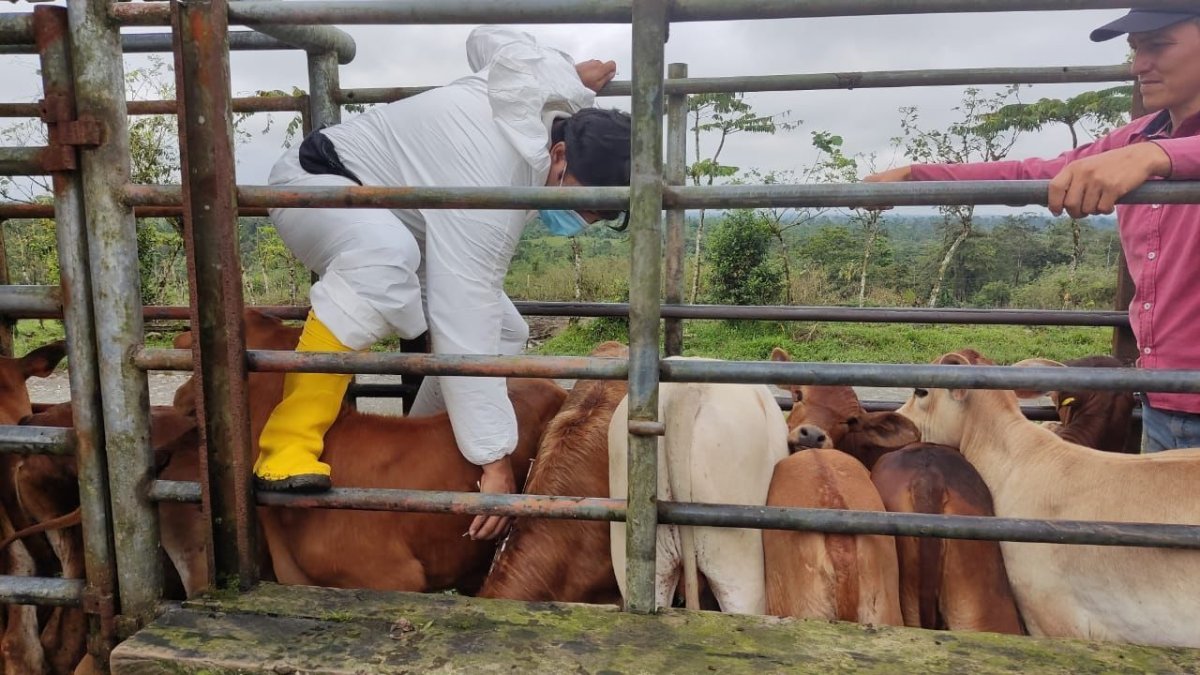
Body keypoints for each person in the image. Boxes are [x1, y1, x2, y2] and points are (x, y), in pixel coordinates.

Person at [255, 25, 631, 540]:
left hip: (403, 217)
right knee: (386, 262)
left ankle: (420, 438)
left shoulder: (544, 101)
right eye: (587, 204)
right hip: (318, 187)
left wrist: (573, 79)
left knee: (507, 333)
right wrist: (496, 462)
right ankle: (287, 442)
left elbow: (490, 40)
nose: (585, 221)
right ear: (560, 156)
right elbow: (463, 311)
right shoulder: (493, 175)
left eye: (600, 215)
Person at [864, 9, 1200, 452]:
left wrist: (1156, 158)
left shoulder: (1142, 152)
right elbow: (1032, 172)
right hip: (1163, 405)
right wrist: (918, 177)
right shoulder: (1134, 140)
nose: (1138, 66)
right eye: (1136, 50)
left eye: (1157, 45)